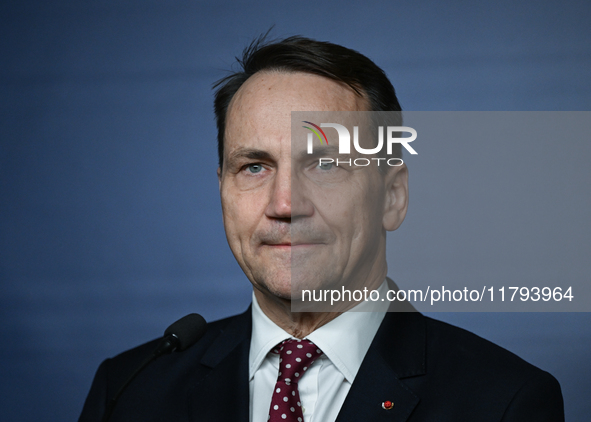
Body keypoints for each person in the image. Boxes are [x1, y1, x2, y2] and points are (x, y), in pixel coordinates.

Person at [79, 36, 564, 422]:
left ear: (392, 197)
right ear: (221, 188)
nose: (285, 204)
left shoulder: (503, 401)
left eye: (326, 164)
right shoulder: (129, 389)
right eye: (254, 167)